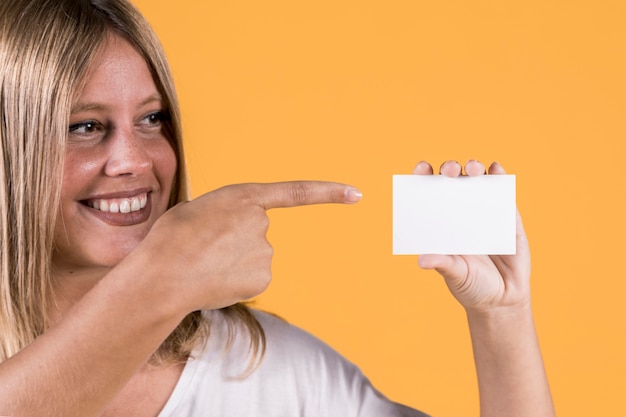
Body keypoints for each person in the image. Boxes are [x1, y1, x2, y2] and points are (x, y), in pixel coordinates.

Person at [0, 0, 555, 416]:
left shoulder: (265, 368)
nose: (132, 160)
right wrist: (160, 280)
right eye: (84, 127)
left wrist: (502, 317)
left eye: (151, 119)